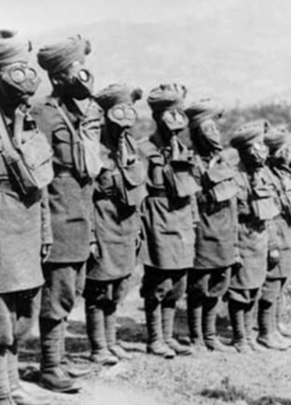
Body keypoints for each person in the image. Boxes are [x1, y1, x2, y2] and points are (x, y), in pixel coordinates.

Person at [0, 32, 53, 405]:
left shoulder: (28, 121)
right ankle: (1, 392)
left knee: (25, 314)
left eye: (25, 71)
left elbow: (40, 181)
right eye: (12, 73)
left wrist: (45, 229)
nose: (22, 82)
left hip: (28, 227)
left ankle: (14, 383)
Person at [33, 34, 101, 390]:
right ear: (59, 76)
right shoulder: (43, 113)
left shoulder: (80, 114)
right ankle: (48, 367)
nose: (85, 76)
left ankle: (56, 361)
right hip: (58, 214)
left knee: (71, 290)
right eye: (78, 69)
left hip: (79, 214)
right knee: (57, 294)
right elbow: (40, 175)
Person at [85, 83, 147, 364]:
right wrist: (91, 235)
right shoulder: (93, 147)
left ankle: (111, 342)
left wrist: (137, 229)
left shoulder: (130, 147)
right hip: (102, 223)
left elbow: (136, 191)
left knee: (119, 285)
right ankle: (98, 346)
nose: (124, 124)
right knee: (98, 288)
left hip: (125, 225)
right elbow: (86, 195)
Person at [139, 83, 199, 358]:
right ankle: (155, 338)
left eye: (179, 115)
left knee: (179, 281)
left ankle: (168, 336)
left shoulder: (184, 149)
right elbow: (138, 190)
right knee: (159, 279)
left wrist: (194, 218)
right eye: (168, 115)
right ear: (157, 117)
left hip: (182, 215)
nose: (174, 122)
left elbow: (191, 187)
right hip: (158, 215)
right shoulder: (144, 149)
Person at [184, 98, 238, 352]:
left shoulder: (225, 160)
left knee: (218, 285)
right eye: (208, 129)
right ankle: (196, 336)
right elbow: (194, 198)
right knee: (199, 287)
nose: (214, 134)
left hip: (225, 232)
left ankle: (210, 334)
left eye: (215, 128)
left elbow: (233, 198)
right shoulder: (191, 163)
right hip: (203, 232)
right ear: (197, 133)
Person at [228, 120, 280, 353]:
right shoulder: (234, 177)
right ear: (245, 150)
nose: (262, 151)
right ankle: (240, 337)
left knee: (255, 289)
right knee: (239, 292)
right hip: (241, 238)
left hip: (260, 239)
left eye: (262, 145)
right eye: (257, 146)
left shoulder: (261, 176)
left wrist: (272, 245)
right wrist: (234, 250)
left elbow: (269, 215)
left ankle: (249, 336)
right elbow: (229, 218)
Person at [259, 127, 291, 350]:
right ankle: (266, 332)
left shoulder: (281, 173)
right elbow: (267, 211)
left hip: (287, 230)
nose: (290, 155)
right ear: (274, 152)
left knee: (283, 279)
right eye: (285, 150)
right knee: (272, 283)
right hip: (275, 230)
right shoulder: (265, 175)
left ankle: (275, 326)